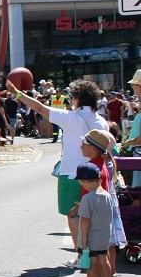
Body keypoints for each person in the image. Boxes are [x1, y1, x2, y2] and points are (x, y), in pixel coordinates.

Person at [8, 79, 108, 248]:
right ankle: (93, 252)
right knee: (92, 215)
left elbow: (40, 108)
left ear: (77, 98)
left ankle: (81, 252)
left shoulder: (71, 117)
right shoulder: (102, 121)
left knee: (73, 215)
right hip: (97, 174)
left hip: (71, 174)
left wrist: (18, 94)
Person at [73, 162, 114, 277]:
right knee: (104, 260)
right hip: (104, 236)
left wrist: (83, 238)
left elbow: (84, 220)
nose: (81, 184)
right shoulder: (107, 195)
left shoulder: (87, 198)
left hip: (92, 236)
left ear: (87, 181)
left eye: (81, 182)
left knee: (92, 264)